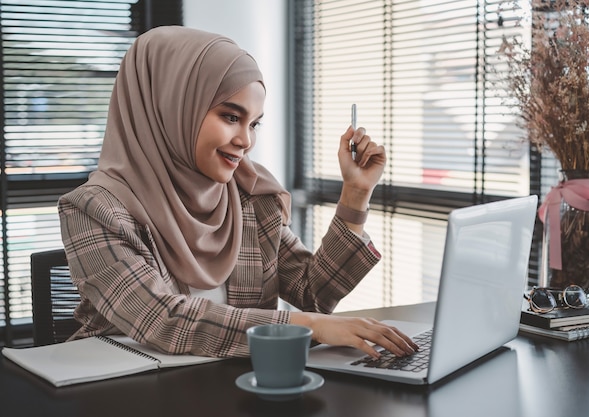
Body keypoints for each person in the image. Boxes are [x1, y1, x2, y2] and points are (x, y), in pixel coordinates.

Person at [58, 26, 417, 359]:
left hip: (232, 389)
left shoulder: (249, 195)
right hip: (118, 393)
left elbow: (312, 295)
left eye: (254, 123)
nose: (245, 141)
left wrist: (355, 193)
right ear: (171, 107)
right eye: (231, 117)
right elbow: (160, 318)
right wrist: (308, 327)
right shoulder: (94, 208)